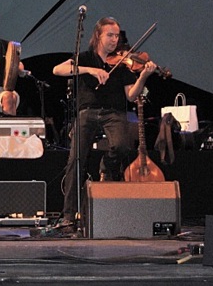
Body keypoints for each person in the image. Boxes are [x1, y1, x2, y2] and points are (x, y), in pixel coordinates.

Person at [52, 16, 156, 231]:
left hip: (113, 112)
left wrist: (143, 76)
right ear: (98, 36)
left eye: (117, 36)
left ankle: (106, 167)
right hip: (87, 111)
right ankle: (69, 215)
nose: (114, 40)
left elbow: (131, 95)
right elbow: (57, 70)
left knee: (122, 146)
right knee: (75, 159)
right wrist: (90, 70)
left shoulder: (123, 64)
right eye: (110, 35)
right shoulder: (85, 57)